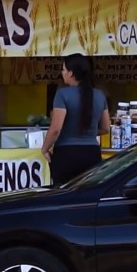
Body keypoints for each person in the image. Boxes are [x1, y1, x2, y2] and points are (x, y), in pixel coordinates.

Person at [41, 53, 110, 186]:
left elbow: (55, 129)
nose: (62, 73)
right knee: (88, 197)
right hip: (92, 154)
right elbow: (106, 128)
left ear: (71, 73)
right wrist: (85, 133)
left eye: (63, 69)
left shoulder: (62, 94)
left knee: (64, 198)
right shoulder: (99, 95)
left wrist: (45, 148)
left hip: (67, 154)